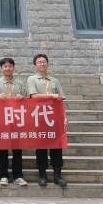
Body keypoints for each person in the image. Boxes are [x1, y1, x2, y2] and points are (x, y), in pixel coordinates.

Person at [26, 53, 68, 187]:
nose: (42, 64)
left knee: (57, 147)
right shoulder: (32, 79)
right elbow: (34, 96)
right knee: (41, 147)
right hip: (40, 117)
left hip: (55, 117)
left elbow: (61, 100)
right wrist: (52, 96)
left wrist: (64, 117)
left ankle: (57, 175)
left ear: (47, 63)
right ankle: (42, 175)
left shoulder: (55, 81)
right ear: (35, 65)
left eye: (44, 61)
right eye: (39, 62)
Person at [0, 57, 29, 186]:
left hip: (17, 119)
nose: (7, 68)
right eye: (5, 66)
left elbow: (29, 100)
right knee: (3, 149)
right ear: (1, 68)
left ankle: (18, 175)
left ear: (13, 68)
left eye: (10, 66)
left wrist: (23, 98)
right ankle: (3, 175)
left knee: (17, 149)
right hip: (2, 119)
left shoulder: (20, 83)